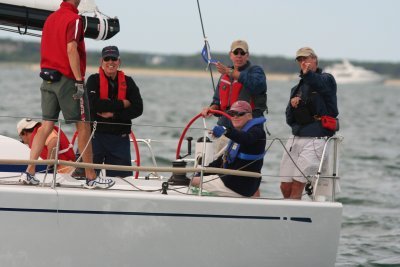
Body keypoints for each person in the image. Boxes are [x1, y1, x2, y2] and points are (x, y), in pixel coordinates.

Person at [21, 0, 115, 189]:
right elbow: (71, 48)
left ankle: (29, 172)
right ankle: (91, 177)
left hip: (48, 78)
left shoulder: (50, 19)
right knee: (83, 126)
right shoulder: (75, 19)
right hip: (67, 80)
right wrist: (79, 80)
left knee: (46, 125)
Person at [279, 47, 339, 199]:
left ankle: (291, 219)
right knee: (285, 185)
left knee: (297, 184)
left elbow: (319, 83)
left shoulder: (327, 79)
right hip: (296, 137)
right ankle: (288, 215)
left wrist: (308, 74)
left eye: (306, 58)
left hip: (316, 139)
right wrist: (294, 107)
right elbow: (288, 118)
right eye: (300, 60)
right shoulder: (296, 88)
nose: (303, 62)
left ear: (315, 59)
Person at [87, 46, 143, 177]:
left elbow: (138, 108)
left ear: (119, 61)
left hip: (120, 140)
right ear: (101, 61)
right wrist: (122, 103)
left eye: (114, 59)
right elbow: (93, 104)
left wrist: (114, 114)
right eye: (107, 59)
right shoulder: (93, 80)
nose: (110, 62)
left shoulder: (128, 82)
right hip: (95, 137)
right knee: (86, 178)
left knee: (121, 182)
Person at [192, 101, 266, 197]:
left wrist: (226, 131)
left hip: (239, 186)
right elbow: (222, 161)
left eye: (240, 114)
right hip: (232, 181)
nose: (235, 117)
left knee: (191, 182)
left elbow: (247, 138)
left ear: (249, 116)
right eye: (232, 113)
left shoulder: (257, 132)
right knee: (197, 177)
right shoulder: (239, 132)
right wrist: (202, 172)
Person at [201, 39, 267, 124]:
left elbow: (257, 85)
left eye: (242, 53)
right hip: (226, 125)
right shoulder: (224, 76)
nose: (239, 56)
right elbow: (217, 101)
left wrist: (230, 72)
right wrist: (211, 109)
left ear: (247, 55)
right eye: (236, 52)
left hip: (249, 126)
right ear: (230, 55)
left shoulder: (256, 71)